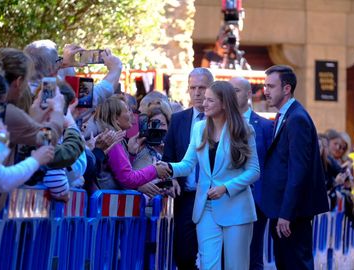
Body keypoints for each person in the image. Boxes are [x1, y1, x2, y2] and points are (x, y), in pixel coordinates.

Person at [165, 81, 260, 269]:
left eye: (210, 100)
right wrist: (167, 167)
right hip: (206, 207)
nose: (204, 103)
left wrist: (226, 188)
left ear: (224, 104)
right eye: (205, 99)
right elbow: (187, 164)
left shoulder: (244, 129)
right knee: (209, 265)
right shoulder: (199, 128)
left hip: (237, 208)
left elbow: (254, 171)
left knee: (236, 266)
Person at [261, 65, 328, 269]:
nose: (266, 91)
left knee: (295, 264)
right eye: (265, 86)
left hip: (291, 213)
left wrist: (286, 213)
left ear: (287, 88)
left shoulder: (297, 118)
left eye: (271, 86)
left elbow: (298, 170)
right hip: (284, 209)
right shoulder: (288, 116)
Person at [162, 67, 213, 269]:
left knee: (215, 257)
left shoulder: (223, 120)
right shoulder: (178, 120)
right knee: (183, 255)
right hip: (187, 197)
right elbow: (169, 158)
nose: (197, 93)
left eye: (202, 87)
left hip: (215, 196)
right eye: (193, 88)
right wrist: (172, 178)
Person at [229, 76, 273, 270]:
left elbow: (271, 165)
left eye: (236, 90)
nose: (231, 95)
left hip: (255, 202)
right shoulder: (216, 123)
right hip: (225, 199)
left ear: (248, 94)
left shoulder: (264, 126)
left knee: (252, 257)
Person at [93, 95, 170, 190]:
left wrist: (131, 154)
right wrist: (155, 170)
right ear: (116, 118)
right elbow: (127, 179)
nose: (131, 114)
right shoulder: (112, 140)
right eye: (127, 110)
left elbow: (120, 172)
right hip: (108, 201)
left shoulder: (115, 138)